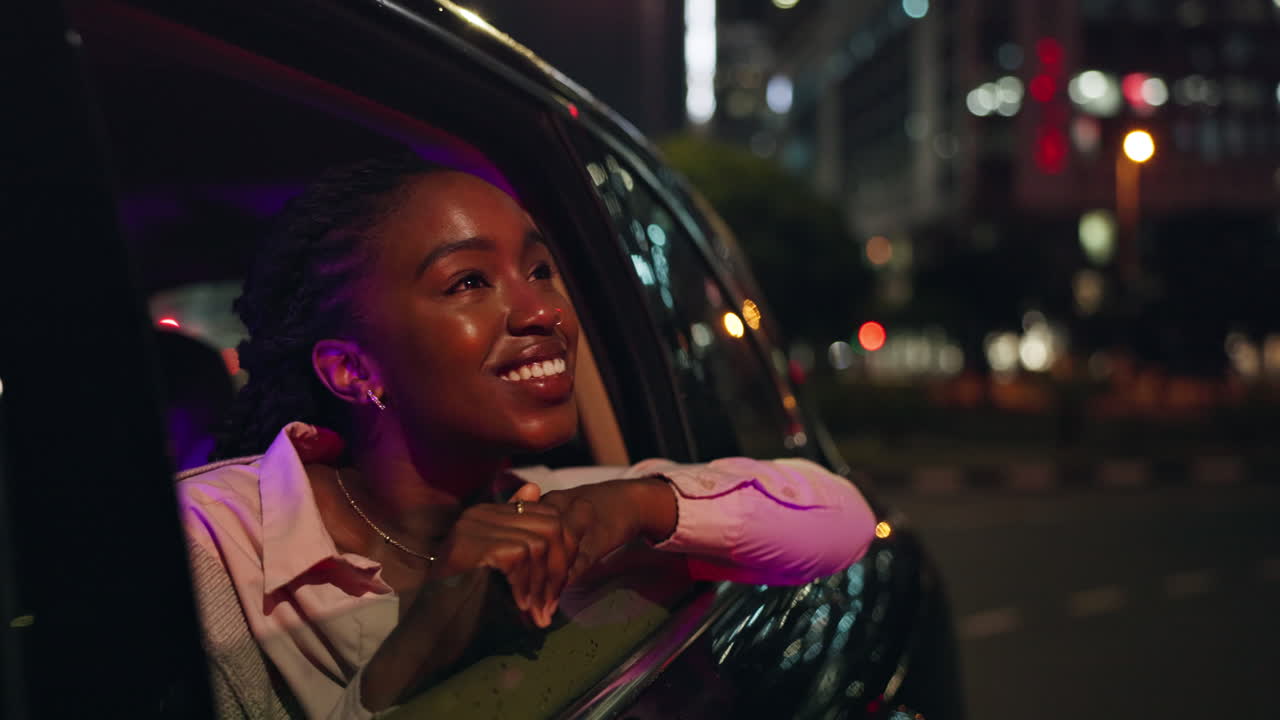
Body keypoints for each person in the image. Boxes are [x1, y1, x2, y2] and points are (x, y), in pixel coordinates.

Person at [177, 154, 876, 719]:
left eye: (541, 271)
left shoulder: (564, 511)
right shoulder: (205, 542)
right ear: (353, 369)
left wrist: (627, 508)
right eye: (469, 281)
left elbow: (839, 517)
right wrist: (419, 650)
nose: (544, 310)